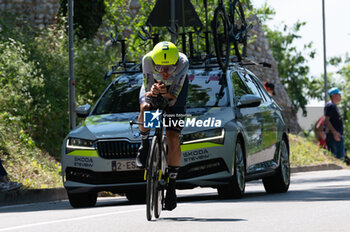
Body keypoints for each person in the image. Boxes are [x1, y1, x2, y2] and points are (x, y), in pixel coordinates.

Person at [135, 41, 189, 211]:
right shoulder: (147, 60)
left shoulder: (183, 62)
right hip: (153, 87)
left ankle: (172, 186)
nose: (165, 73)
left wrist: (167, 94)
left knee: (173, 137)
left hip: (175, 91)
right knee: (146, 107)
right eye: (160, 68)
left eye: (169, 69)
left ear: (176, 64)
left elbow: (173, 99)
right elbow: (147, 88)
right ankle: (144, 145)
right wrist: (154, 93)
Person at [324, 87, 345, 159]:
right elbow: (326, 120)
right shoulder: (330, 106)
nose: (340, 96)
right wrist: (335, 132)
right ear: (334, 95)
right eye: (339, 94)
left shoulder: (333, 106)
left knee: (338, 158)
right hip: (334, 136)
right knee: (337, 158)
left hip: (336, 136)